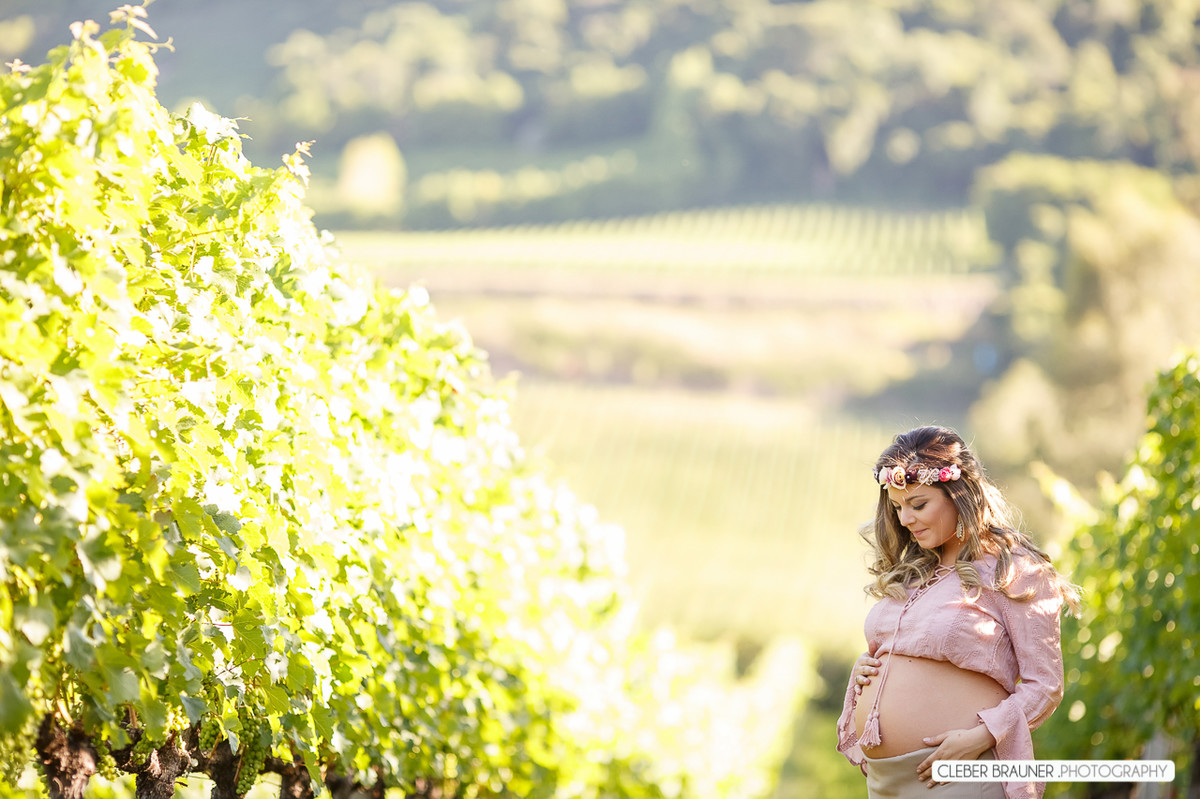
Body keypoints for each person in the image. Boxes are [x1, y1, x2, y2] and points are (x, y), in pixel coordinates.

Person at [836, 426, 1079, 799]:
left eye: (918, 504)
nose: (905, 519)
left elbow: (1045, 686)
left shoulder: (1012, 570)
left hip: (961, 774)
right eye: (897, 507)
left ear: (959, 494)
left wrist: (981, 737)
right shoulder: (913, 571)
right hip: (886, 782)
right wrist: (866, 670)